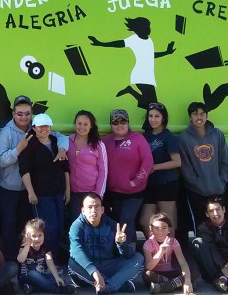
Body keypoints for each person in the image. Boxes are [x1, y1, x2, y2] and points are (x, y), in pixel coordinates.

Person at [0, 95, 68, 259]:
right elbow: (0, 161)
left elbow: (61, 137)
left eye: (27, 113)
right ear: (13, 114)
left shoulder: (36, 128)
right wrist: (18, 150)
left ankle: (25, 261)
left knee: (27, 228)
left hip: (31, 190)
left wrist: (62, 149)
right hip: (10, 189)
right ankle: (9, 262)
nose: (24, 117)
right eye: (20, 113)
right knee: (8, 226)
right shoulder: (6, 133)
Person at [87, 17, 176, 109]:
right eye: (146, 26)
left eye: (149, 26)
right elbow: (118, 43)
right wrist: (100, 43)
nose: (149, 29)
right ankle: (131, 91)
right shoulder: (134, 39)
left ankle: (130, 90)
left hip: (148, 75)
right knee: (153, 106)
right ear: (139, 28)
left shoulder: (149, 40)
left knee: (150, 106)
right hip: (141, 74)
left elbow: (150, 55)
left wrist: (166, 52)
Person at [68, 193, 143, 295]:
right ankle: (118, 284)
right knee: (72, 262)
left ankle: (109, 286)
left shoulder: (112, 225)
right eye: (89, 207)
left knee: (139, 258)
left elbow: (129, 255)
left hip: (108, 265)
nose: (93, 211)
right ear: (83, 210)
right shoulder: (77, 226)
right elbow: (76, 252)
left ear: (102, 210)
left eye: (97, 207)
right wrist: (93, 271)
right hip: (87, 270)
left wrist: (122, 244)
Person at [178, 102, 228, 243]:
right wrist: (197, 184)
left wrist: (222, 181)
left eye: (202, 113)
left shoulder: (217, 134)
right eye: (195, 114)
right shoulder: (184, 138)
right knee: (201, 226)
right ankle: (203, 253)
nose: (199, 117)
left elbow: (225, 160)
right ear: (190, 117)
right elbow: (185, 167)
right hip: (196, 192)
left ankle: (222, 251)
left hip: (218, 189)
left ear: (207, 116)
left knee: (220, 222)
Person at [19, 113, 69, 256]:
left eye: (46, 126)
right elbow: (24, 170)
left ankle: (56, 260)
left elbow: (65, 167)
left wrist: (68, 190)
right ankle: (44, 260)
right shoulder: (29, 145)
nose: (44, 129)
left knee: (59, 227)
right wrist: (30, 192)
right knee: (46, 229)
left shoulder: (56, 142)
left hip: (58, 192)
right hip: (41, 195)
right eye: (40, 126)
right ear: (34, 128)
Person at [101, 109, 152, 245]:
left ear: (128, 123)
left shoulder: (138, 138)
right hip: (113, 192)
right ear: (111, 124)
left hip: (134, 192)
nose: (119, 125)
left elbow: (148, 162)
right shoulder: (105, 141)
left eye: (123, 121)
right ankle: (126, 250)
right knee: (119, 222)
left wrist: (136, 181)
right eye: (115, 122)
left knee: (126, 220)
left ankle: (130, 254)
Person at [140, 102, 181, 239]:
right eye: (150, 116)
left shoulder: (168, 136)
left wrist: (155, 167)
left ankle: (170, 253)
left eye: (157, 116)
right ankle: (154, 250)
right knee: (146, 220)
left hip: (167, 182)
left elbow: (177, 162)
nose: (153, 119)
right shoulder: (146, 136)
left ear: (163, 118)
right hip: (149, 183)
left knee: (167, 221)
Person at [66, 110, 107, 229]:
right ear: (75, 124)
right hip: (73, 193)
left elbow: (103, 171)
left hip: (91, 192)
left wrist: (98, 195)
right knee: (75, 225)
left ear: (91, 126)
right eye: (79, 123)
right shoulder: (67, 141)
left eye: (85, 124)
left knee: (91, 225)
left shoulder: (98, 144)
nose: (82, 127)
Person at [17, 218, 75, 295]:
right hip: (26, 277)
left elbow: (50, 264)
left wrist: (57, 277)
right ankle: (59, 289)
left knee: (58, 274)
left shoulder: (45, 249)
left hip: (42, 276)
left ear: (44, 235)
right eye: (33, 236)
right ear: (27, 236)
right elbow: (20, 259)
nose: (37, 238)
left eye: (40, 235)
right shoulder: (24, 247)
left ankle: (33, 288)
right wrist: (27, 245)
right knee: (33, 274)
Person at [142, 213, 194, 295]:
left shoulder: (173, 242)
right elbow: (148, 266)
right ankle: (174, 284)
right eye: (156, 228)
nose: (160, 231)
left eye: (164, 228)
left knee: (193, 272)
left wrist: (187, 281)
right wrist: (160, 252)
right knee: (147, 274)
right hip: (157, 274)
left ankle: (165, 286)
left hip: (170, 272)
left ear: (169, 229)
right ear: (151, 229)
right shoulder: (148, 244)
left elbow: (183, 263)